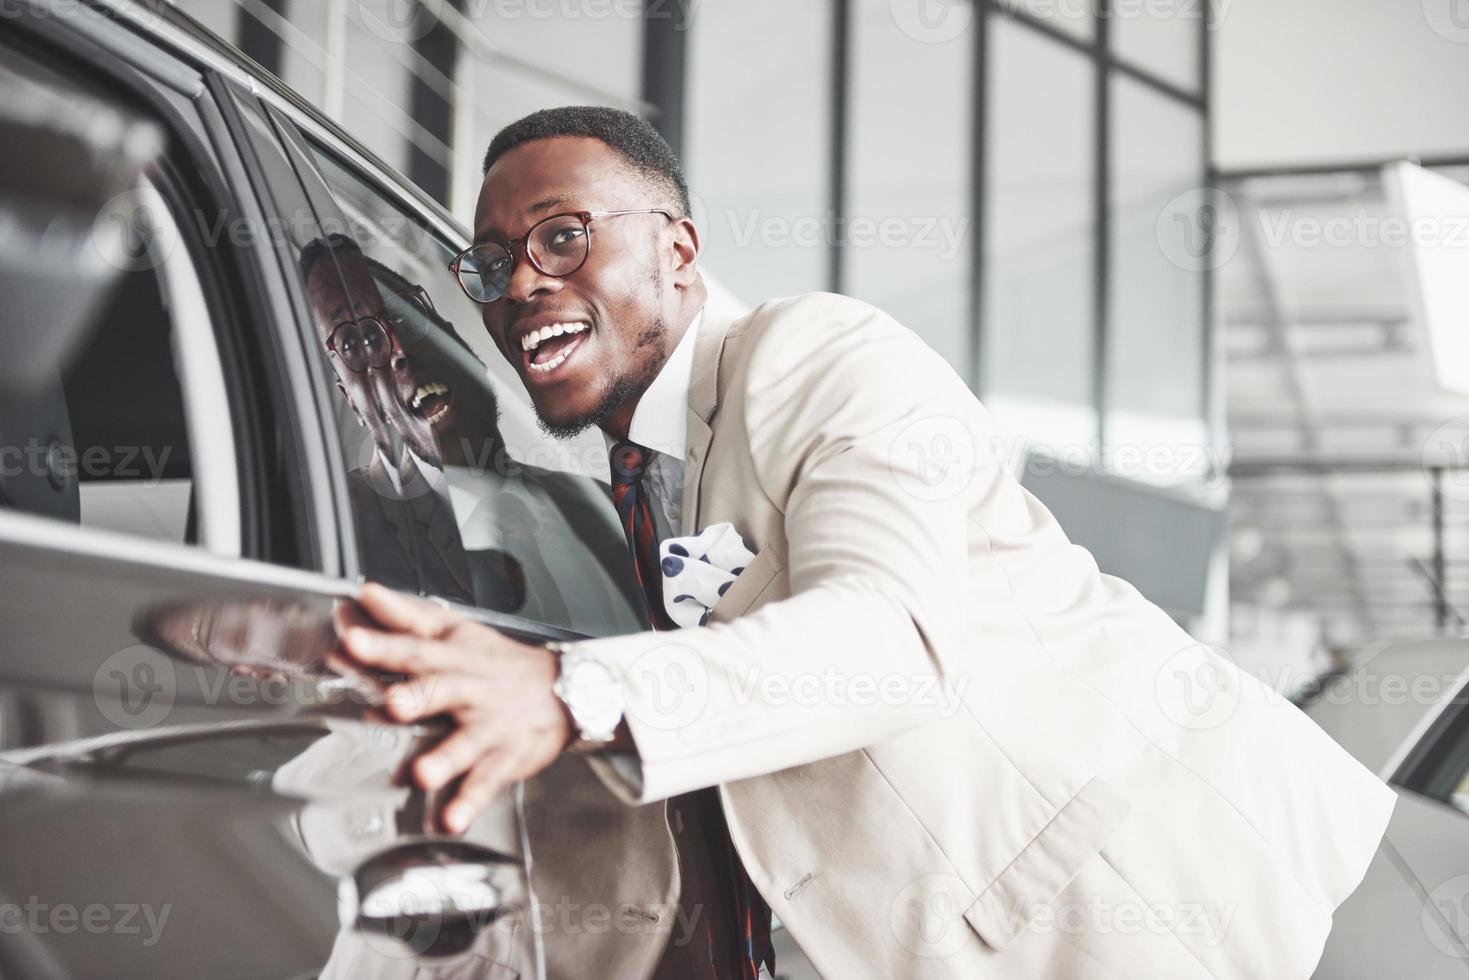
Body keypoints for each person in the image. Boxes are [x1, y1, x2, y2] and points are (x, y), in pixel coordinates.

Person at [329, 106, 1396, 979]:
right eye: (492, 262)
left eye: (563, 236)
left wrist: (564, 689)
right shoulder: (613, 483)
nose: (519, 284)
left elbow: (889, 637)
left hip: (1161, 904)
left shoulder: (819, 354)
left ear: (677, 246)